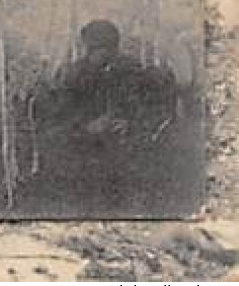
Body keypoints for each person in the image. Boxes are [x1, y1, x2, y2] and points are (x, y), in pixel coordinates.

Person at [35, 19, 178, 211]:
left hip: (125, 154)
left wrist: (130, 123)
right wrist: (86, 126)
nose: (94, 55)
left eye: (102, 49)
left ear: (114, 48)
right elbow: (58, 117)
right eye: (91, 49)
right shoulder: (74, 75)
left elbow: (152, 109)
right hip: (84, 154)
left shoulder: (132, 70)